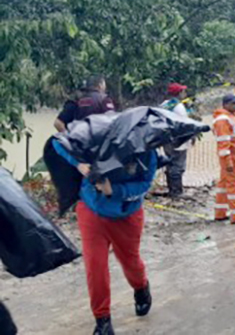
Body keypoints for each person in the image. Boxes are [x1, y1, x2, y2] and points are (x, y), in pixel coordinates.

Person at [51, 142, 156, 335]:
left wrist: (113, 191)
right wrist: (79, 164)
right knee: (95, 266)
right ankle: (102, 320)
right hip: (92, 211)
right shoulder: (97, 137)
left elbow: (145, 184)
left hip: (127, 216)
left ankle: (141, 287)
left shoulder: (147, 151)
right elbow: (59, 141)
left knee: (130, 262)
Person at [213, 92, 235, 223]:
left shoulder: (230, 116)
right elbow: (223, 143)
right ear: (226, 105)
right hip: (233, 158)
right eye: (234, 103)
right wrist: (228, 161)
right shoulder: (223, 119)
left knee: (224, 184)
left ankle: (220, 212)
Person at [161, 83, 192, 198]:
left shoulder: (164, 104)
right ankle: (176, 191)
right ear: (179, 94)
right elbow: (184, 124)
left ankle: (171, 189)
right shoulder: (179, 107)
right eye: (183, 91)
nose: (185, 93)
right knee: (178, 165)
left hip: (166, 139)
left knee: (170, 162)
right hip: (178, 140)